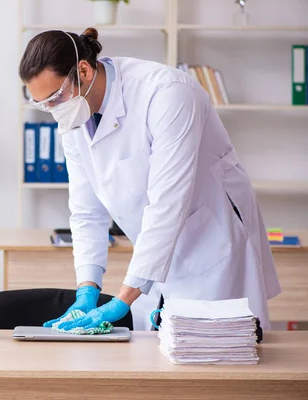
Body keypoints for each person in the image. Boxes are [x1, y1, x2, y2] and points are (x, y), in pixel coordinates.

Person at [18, 28, 281, 331]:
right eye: (43, 104)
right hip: (152, 254)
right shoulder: (74, 114)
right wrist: (86, 288)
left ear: (84, 70)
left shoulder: (168, 93)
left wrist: (122, 300)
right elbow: (86, 210)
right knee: (156, 361)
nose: (53, 109)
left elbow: (168, 203)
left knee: (218, 359)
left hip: (212, 246)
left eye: (55, 97)